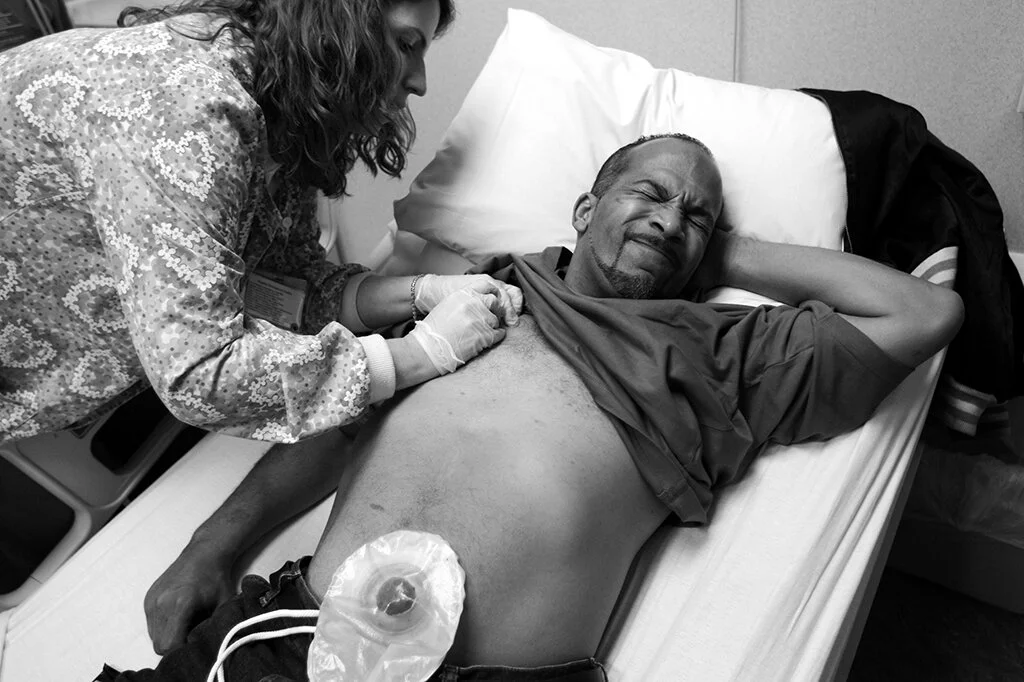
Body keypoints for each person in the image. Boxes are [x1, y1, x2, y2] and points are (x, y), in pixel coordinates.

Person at [101, 133, 964, 681]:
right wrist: (209, 548)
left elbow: (925, 314)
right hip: (292, 638)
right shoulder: (480, 296)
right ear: (587, 209)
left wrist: (724, 251)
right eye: (651, 194)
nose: (671, 220)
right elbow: (339, 423)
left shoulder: (724, 349)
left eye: (697, 215)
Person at [0, 0, 522, 446]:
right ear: (340, 21)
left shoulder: (278, 108)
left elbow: (285, 283)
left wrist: (420, 292)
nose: (420, 82)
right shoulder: (187, 107)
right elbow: (201, 373)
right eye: (407, 44)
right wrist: (419, 354)